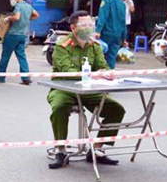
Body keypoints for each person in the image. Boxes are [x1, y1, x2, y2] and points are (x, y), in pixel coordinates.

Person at [47, 10, 126, 169]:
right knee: (59, 107)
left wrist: (106, 73)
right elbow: (66, 71)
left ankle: (97, 149)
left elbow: (102, 66)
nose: (89, 28)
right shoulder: (63, 46)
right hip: (64, 88)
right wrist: (91, 76)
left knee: (116, 109)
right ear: (74, 28)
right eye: (84, 25)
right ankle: (61, 150)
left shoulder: (95, 46)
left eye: (91, 25)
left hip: (89, 91)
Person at [0, 0, 40, 85]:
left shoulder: (18, 6)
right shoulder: (28, 6)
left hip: (12, 35)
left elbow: (17, 17)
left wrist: (8, 18)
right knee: (22, 56)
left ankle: (0, 77)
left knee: (5, 56)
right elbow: (36, 15)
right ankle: (26, 77)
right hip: (22, 35)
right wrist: (27, 18)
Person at [96, 0, 127, 69]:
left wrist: (98, 30)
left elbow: (103, 16)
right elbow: (123, 21)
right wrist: (124, 38)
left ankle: (101, 73)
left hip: (107, 32)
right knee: (112, 57)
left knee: (99, 54)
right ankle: (110, 74)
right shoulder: (122, 3)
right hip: (118, 34)